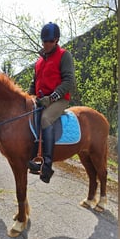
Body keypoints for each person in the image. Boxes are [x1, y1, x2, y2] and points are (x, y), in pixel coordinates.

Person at [27, 22, 75, 183]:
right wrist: (27, 97)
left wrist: (52, 98)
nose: (46, 44)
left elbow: (69, 81)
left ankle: (46, 166)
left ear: (56, 40)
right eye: (44, 41)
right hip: (41, 99)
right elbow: (34, 83)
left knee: (46, 119)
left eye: (50, 41)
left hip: (59, 100)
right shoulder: (38, 62)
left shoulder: (64, 55)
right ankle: (33, 157)